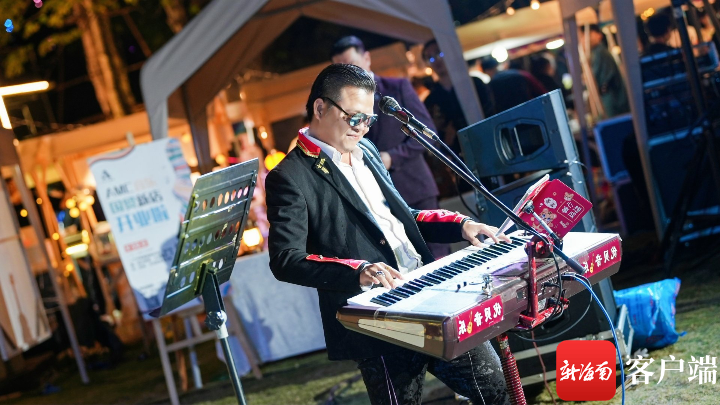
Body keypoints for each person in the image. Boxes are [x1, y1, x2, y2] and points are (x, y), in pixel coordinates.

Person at [266, 63, 511, 405]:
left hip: (429, 291)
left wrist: (458, 224)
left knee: (495, 389)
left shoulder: (366, 151)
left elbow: (400, 218)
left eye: (368, 120)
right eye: (354, 118)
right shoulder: (290, 176)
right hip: (378, 317)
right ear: (320, 108)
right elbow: (285, 259)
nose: (362, 128)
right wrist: (359, 270)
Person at [331, 36, 448, 258]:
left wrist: (392, 157)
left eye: (352, 65)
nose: (349, 74)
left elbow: (426, 133)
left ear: (367, 59)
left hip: (414, 186)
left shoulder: (397, 87)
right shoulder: (342, 108)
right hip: (379, 201)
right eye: (341, 70)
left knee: (438, 254)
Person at [422, 39, 495, 156]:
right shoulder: (431, 100)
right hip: (458, 155)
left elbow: (490, 111)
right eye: (430, 58)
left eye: (439, 53)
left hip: (487, 142)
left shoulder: (474, 84)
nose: (436, 60)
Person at [578, 24, 630, 117]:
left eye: (584, 36)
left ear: (595, 35)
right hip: (611, 97)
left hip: (612, 98)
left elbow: (593, 77)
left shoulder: (599, 52)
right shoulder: (596, 52)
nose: (583, 40)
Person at [482, 57, 548, 113]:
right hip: (532, 112)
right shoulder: (521, 74)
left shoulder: (490, 86)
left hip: (509, 120)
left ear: (486, 71)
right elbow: (542, 93)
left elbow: (492, 108)